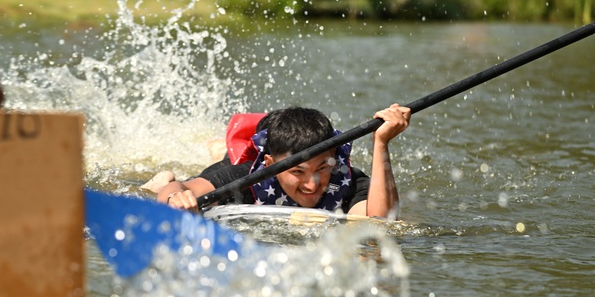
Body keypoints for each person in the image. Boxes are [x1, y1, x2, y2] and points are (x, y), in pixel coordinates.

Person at [156, 105, 412, 219]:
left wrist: (381, 143)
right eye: (298, 171)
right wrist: (174, 198)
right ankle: (222, 149)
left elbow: (381, 221)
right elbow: (178, 190)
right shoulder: (245, 177)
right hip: (236, 164)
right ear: (269, 163)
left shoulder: (347, 181)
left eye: (322, 168)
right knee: (162, 184)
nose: (312, 184)